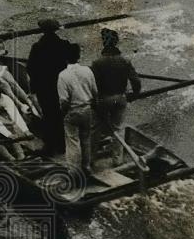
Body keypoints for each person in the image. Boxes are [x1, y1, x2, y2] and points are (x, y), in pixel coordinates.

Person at [91, 28, 142, 162]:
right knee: (118, 129)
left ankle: (91, 158)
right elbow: (136, 81)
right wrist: (134, 95)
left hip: (103, 99)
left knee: (96, 128)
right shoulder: (125, 61)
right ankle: (117, 159)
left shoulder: (97, 63)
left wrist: (94, 101)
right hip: (120, 98)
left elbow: (93, 85)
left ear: (104, 44)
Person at [26, 19, 72, 156]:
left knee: (48, 115)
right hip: (61, 85)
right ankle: (63, 145)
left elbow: (30, 68)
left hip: (44, 87)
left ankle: (50, 146)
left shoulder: (37, 47)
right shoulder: (64, 45)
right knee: (62, 114)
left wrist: (34, 87)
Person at [57, 42, 98, 176]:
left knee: (72, 141)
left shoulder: (63, 75)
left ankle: (74, 170)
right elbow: (94, 92)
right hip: (86, 109)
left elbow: (64, 100)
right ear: (79, 56)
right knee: (86, 139)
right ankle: (86, 166)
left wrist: (62, 115)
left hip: (72, 111)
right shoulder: (87, 70)